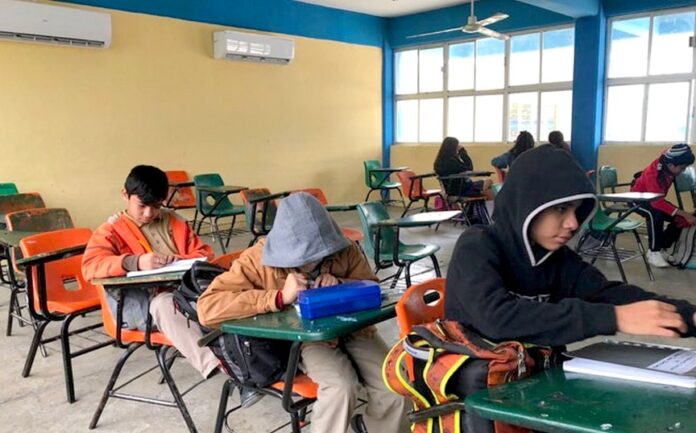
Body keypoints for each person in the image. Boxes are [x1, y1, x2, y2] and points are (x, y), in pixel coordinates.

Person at [444, 146, 696, 430]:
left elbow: (610, 294)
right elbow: (496, 318)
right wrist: (613, 318)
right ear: (527, 204)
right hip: (479, 400)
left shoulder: (557, 259)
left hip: (533, 387)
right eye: (561, 209)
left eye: (577, 210)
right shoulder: (477, 245)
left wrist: (689, 316)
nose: (573, 223)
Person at [197, 192, 407, 433]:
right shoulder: (257, 259)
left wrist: (342, 284)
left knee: (395, 384)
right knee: (341, 387)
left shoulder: (344, 248)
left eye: (320, 254)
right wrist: (278, 297)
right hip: (306, 340)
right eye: (303, 258)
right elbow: (207, 308)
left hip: (355, 329)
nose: (312, 263)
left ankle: (372, 427)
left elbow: (373, 288)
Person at [81, 165, 262, 407]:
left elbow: (204, 254)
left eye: (156, 206)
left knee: (228, 295)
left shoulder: (174, 221)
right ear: (125, 195)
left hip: (186, 295)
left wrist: (180, 260)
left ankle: (262, 360)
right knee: (165, 304)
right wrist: (135, 262)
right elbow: (90, 267)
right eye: (142, 206)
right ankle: (232, 374)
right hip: (142, 307)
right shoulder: (111, 231)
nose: (149, 213)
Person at [631, 143, 696, 268]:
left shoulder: (669, 159)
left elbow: (675, 149)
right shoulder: (653, 174)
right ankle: (653, 252)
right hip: (637, 199)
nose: (683, 171)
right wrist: (685, 213)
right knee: (655, 213)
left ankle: (661, 248)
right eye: (682, 168)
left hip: (656, 199)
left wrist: (684, 215)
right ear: (671, 165)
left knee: (680, 219)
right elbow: (657, 203)